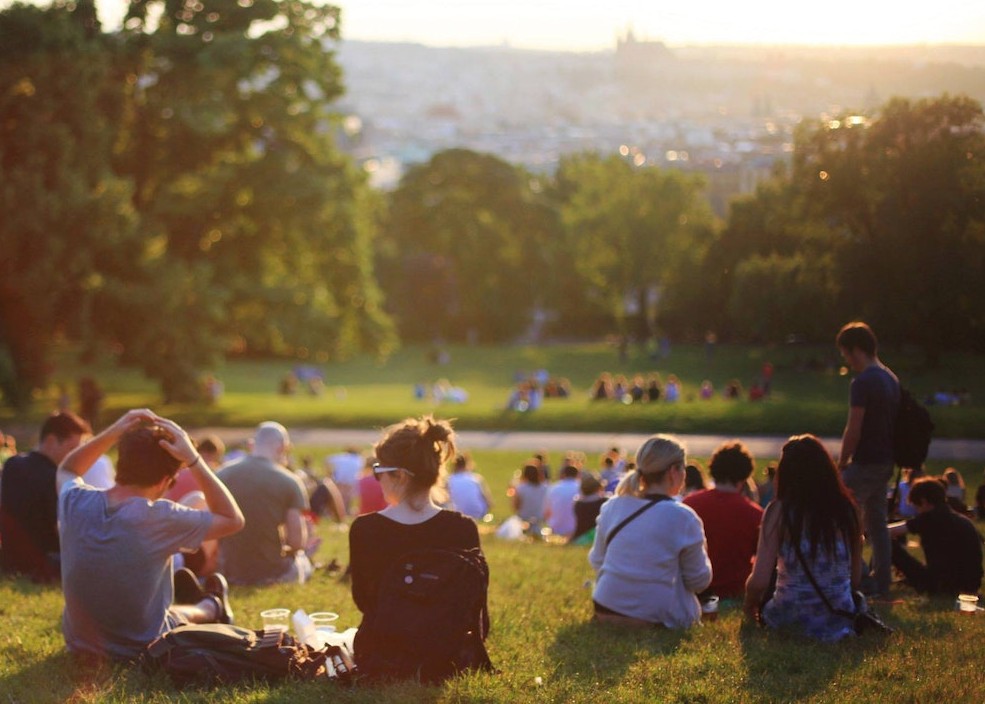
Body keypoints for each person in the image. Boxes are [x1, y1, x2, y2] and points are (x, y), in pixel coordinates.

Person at [57, 410, 243, 660]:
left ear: (122, 462)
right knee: (173, 617)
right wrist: (193, 459)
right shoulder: (161, 517)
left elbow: (68, 468)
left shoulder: (75, 501)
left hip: (80, 645)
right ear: (165, 481)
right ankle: (212, 606)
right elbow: (233, 519)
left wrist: (115, 430)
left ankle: (204, 603)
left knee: (161, 612)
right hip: (143, 646)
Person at [348, 416, 488, 672]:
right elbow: (470, 604)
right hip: (449, 653)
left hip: (383, 650)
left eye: (379, 471)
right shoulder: (464, 528)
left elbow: (365, 601)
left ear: (399, 476)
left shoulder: (365, 530)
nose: (377, 479)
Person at [745, 435, 862, 642]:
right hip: (839, 618)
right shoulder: (846, 510)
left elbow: (759, 581)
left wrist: (749, 608)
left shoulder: (779, 511)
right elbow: (854, 580)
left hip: (789, 618)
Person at [588, 435, 712, 628]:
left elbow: (597, 560)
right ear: (673, 471)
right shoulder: (683, 517)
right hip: (654, 615)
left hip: (606, 606)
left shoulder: (612, 506)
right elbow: (699, 581)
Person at [836, 321, 900, 598]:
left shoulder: (862, 382)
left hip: (864, 462)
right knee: (877, 523)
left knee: (836, 513)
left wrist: (841, 462)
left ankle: (856, 575)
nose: (848, 362)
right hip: (886, 461)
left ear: (856, 351)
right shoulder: (890, 378)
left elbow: (854, 427)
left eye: (846, 355)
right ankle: (882, 582)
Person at [217, 422, 313, 585]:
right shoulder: (290, 481)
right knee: (303, 561)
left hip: (228, 572)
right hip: (271, 573)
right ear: (282, 447)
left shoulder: (222, 474)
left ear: (251, 445)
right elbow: (296, 542)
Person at [0, 411, 91, 581]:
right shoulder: (54, 477)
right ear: (50, 441)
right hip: (44, 564)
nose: (75, 456)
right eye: (72, 449)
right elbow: (62, 531)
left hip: (8, 562)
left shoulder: (11, 465)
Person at [684, 441, 764, 599]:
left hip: (696, 590)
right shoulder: (755, 514)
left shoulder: (689, 504)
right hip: (735, 591)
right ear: (745, 475)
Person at [889, 477, 984, 596]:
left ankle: (878, 580)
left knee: (887, 543)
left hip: (942, 585)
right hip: (970, 584)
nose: (917, 512)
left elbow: (886, 532)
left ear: (923, 501)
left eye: (916, 507)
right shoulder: (961, 520)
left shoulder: (929, 518)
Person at [446, 453, 493, 520]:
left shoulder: (448, 480)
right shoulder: (477, 479)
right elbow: (489, 502)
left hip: (455, 514)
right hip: (478, 514)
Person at [570, 472, 607, 545]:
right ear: (598, 487)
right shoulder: (604, 502)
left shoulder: (578, 504)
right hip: (596, 537)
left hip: (579, 537)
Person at [545, 462, 581, 539]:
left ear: (563, 474)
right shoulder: (581, 488)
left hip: (556, 528)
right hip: (576, 530)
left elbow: (547, 513)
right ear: (578, 475)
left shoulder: (553, 488)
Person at [326, 446, 363, 516]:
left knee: (340, 496)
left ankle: (340, 511)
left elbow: (327, 459)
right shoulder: (359, 459)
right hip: (352, 480)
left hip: (340, 480)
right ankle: (345, 511)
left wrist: (329, 473)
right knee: (347, 497)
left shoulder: (342, 457)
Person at [512, 462, 548, 530]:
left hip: (524, 519)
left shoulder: (521, 488)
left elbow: (515, 507)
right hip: (541, 520)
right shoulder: (545, 488)